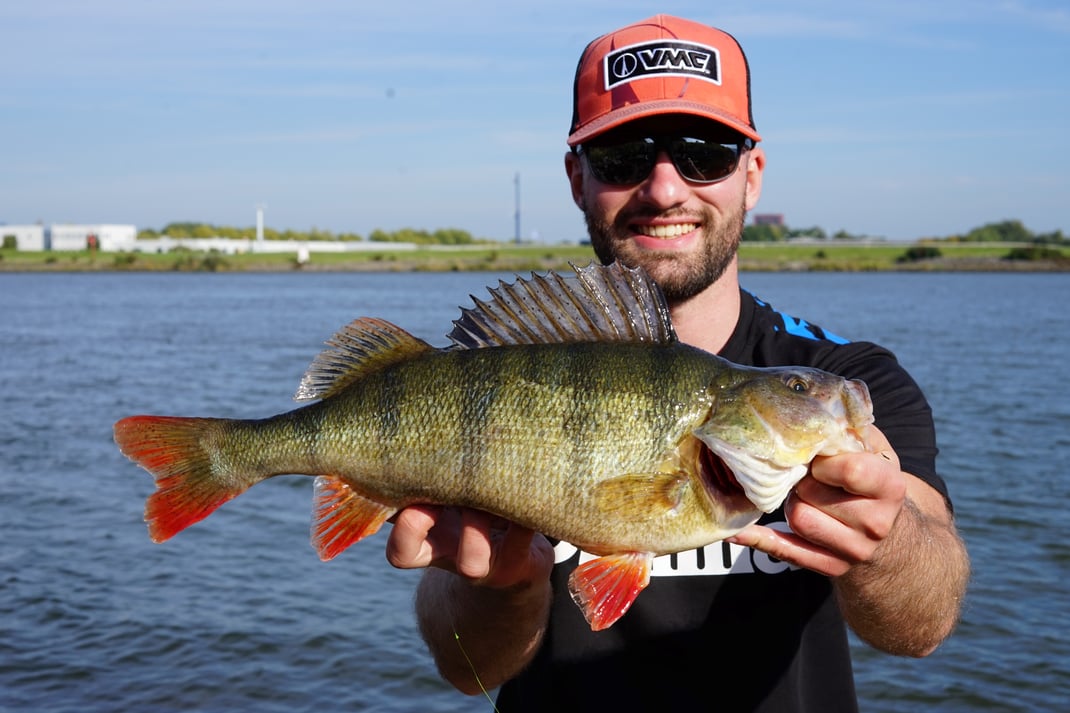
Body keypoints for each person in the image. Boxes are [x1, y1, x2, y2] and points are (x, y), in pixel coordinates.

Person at [385, 15, 969, 712]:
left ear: (751, 176)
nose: (665, 190)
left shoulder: (840, 369)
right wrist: (505, 586)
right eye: (624, 157)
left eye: (705, 153)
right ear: (578, 179)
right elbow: (466, 668)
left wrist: (890, 540)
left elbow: (925, 623)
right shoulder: (508, 371)